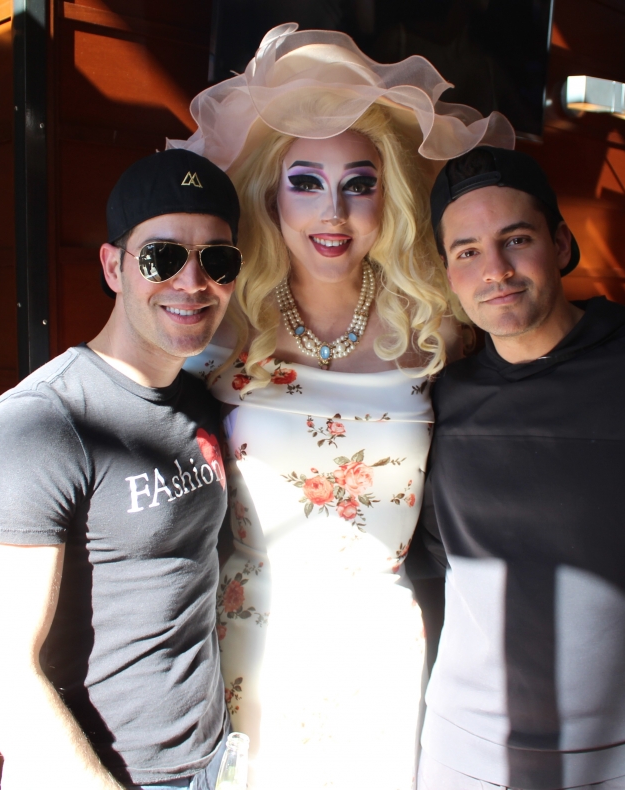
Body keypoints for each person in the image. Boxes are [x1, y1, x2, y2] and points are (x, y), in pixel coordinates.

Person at [166, 23, 515, 790]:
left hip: (380, 643)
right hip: (252, 638)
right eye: (306, 182)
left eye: (359, 184)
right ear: (270, 192)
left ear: (388, 196)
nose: (333, 212)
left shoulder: (434, 326)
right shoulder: (221, 327)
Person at [410, 146, 625, 790]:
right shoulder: (442, 397)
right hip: (456, 753)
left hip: (615, 762)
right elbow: (430, 567)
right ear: (448, 272)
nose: (496, 270)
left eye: (517, 240)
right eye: (468, 251)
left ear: (562, 244)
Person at [0, 149, 244, 790]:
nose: (193, 281)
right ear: (113, 266)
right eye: (162, 256)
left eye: (217, 259)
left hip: (211, 761)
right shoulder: (38, 425)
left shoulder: (199, 400)